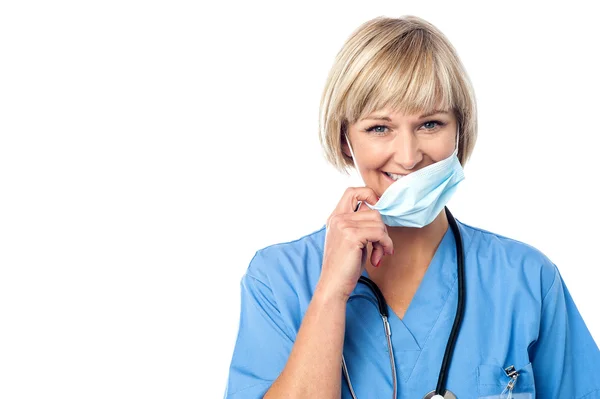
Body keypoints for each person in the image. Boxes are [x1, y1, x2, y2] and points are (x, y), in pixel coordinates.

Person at [223, 15, 600, 399]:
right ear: (344, 140)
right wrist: (331, 294)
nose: (408, 156)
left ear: (459, 132)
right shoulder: (278, 281)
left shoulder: (526, 279)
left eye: (431, 124)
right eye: (379, 128)